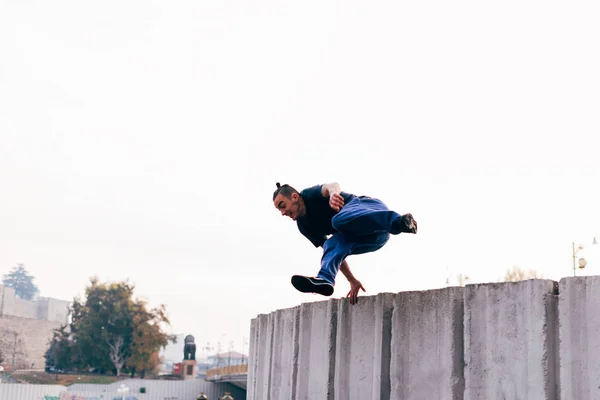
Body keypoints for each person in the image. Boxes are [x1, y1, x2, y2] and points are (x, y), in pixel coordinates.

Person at [272, 182, 417, 304]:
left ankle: (399, 222)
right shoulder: (304, 227)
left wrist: (334, 194)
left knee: (338, 221)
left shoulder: (309, 195)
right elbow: (334, 253)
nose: (282, 213)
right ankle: (325, 280)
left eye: (283, 206)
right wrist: (352, 280)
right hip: (375, 239)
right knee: (331, 244)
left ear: (295, 197)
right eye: (279, 210)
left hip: (370, 210)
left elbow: (331, 185)